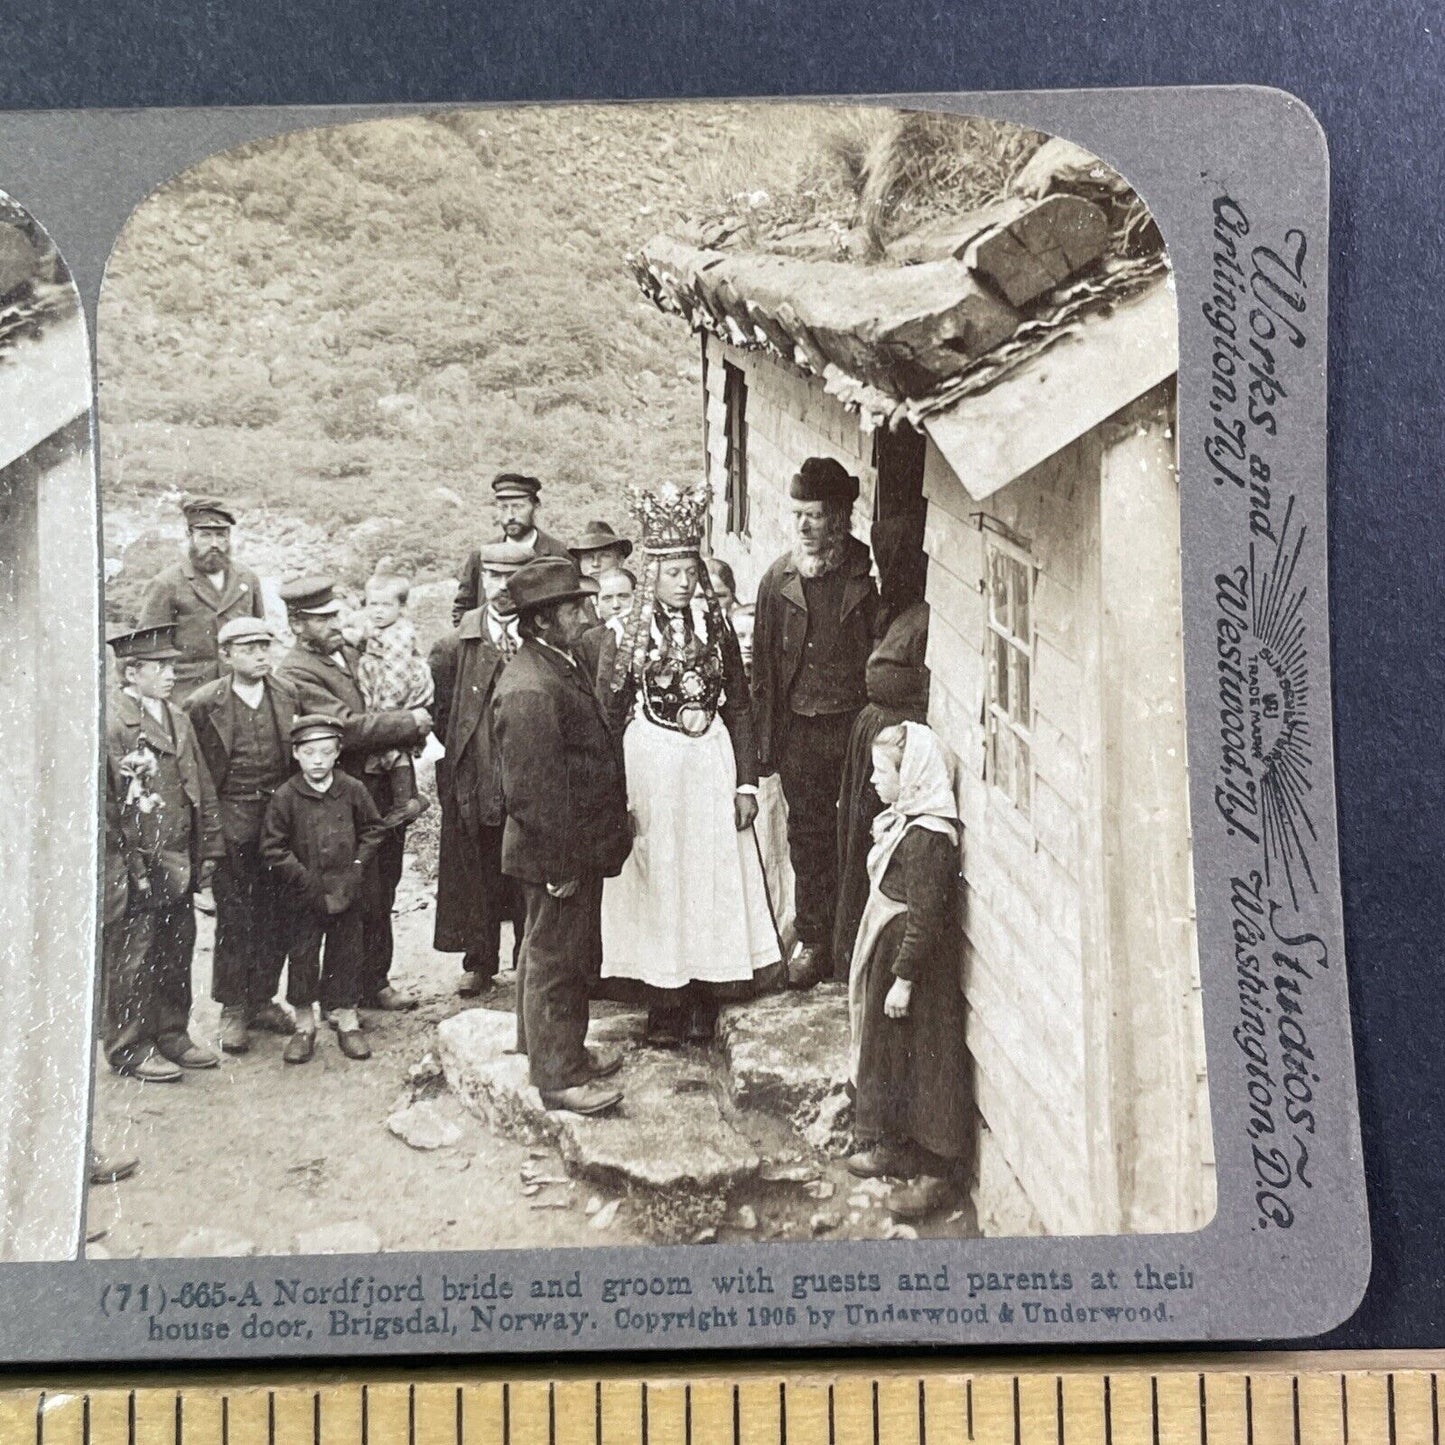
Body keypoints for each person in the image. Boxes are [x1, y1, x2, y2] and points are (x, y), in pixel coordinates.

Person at [596, 482, 780, 1046]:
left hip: (710, 765)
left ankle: (706, 992)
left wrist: (746, 783)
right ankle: (663, 1000)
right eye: (671, 570)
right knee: (661, 875)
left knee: (708, 873)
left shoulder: (716, 629)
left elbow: (742, 706)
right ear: (653, 572)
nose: (681, 579)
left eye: (687, 568)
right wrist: (617, 798)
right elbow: (608, 713)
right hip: (653, 768)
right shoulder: (625, 636)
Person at [491, 556, 630, 1114]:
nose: (588, 613)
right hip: (556, 852)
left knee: (557, 950)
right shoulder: (530, 689)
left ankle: (555, 1048)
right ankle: (558, 1077)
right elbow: (533, 794)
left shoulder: (555, 663)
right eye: (576, 607)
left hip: (570, 847)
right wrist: (560, 868)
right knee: (556, 957)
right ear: (544, 621)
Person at [273, 576, 431, 1012]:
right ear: (297, 624)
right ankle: (344, 992)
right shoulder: (295, 672)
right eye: (321, 619)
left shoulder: (350, 650)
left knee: (386, 885)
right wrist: (411, 721)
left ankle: (374, 981)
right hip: (342, 801)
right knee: (354, 891)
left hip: (382, 793)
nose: (333, 624)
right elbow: (346, 725)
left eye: (334, 615)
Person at [752, 456, 878, 990]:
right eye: (797, 514)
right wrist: (764, 746)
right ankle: (814, 939)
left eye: (816, 516)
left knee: (858, 832)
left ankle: (853, 941)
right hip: (800, 733)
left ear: (841, 518)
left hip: (851, 730)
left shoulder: (867, 579)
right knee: (806, 838)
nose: (803, 526)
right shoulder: (777, 580)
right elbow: (763, 669)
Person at [845, 722, 971, 1220]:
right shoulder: (906, 821)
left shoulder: (929, 840)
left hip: (919, 973)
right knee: (889, 1050)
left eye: (882, 773)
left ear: (914, 775)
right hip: (896, 959)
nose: (874, 782)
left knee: (929, 1063)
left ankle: (938, 1171)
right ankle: (892, 1144)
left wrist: (903, 978)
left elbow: (925, 917)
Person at [103, 624, 225, 1078]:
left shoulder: (176, 715)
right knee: (134, 957)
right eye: (161, 667)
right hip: (136, 863)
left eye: (173, 665)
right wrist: (129, 864)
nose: (172, 673)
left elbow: (201, 785)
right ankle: (129, 1047)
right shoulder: (113, 723)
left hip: (176, 860)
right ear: (132, 673)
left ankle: (172, 1034)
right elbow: (109, 806)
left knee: (176, 949)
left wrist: (209, 847)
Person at [183, 617, 300, 1055]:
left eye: (265, 645)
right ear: (226, 655)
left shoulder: (287, 694)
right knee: (236, 918)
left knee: (277, 912)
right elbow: (195, 776)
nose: (261, 654)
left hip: (279, 823)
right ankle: (233, 1008)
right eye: (249, 648)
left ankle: (263, 1000)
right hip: (230, 823)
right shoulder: (202, 704)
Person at [833, 511, 931, 977]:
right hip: (872, 739)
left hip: (896, 746)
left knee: (878, 839)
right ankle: (852, 947)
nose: (878, 573)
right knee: (857, 842)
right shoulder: (894, 611)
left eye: (886, 563)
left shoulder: (924, 619)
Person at [428, 541, 529, 998]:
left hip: (528, 773)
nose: (503, 588)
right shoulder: (454, 647)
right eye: (493, 578)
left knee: (530, 864)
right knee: (479, 864)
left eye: (514, 579)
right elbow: (443, 715)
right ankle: (479, 959)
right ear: (482, 580)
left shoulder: (543, 636)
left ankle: (530, 958)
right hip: (479, 774)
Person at [260, 715, 386, 1063]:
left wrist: (358, 866)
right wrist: (301, 877)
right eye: (310, 752)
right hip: (303, 895)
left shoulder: (352, 789)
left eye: (326, 752)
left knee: (346, 953)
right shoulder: (286, 796)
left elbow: (374, 829)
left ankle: (346, 1020)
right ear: (297, 754)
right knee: (302, 955)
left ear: (337, 754)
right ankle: (304, 1026)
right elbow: (272, 847)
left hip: (346, 891)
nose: (318, 760)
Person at [136, 497, 266, 705]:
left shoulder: (247, 579)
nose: (214, 544)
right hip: (188, 696)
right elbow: (148, 649)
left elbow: (260, 636)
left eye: (221, 535)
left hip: (239, 692)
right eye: (205, 536)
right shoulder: (167, 583)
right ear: (189, 535)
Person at [355, 571, 434, 830]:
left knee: (392, 746)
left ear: (401, 607)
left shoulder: (399, 635)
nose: (377, 611)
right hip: (384, 690)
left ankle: (404, 803)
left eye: (386, 605)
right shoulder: (378, 627)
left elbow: (397, 677)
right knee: (391, 748)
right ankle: (410, 798)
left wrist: (387, 712)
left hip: (397, 697)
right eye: (372, 604)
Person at [453, 473, 571, 623]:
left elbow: (570, 612)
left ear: (536, 506)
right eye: (503, 508)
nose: (510, 516)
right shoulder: (481, 556)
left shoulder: (559, 555)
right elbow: (463, 609)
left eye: (518, 507)